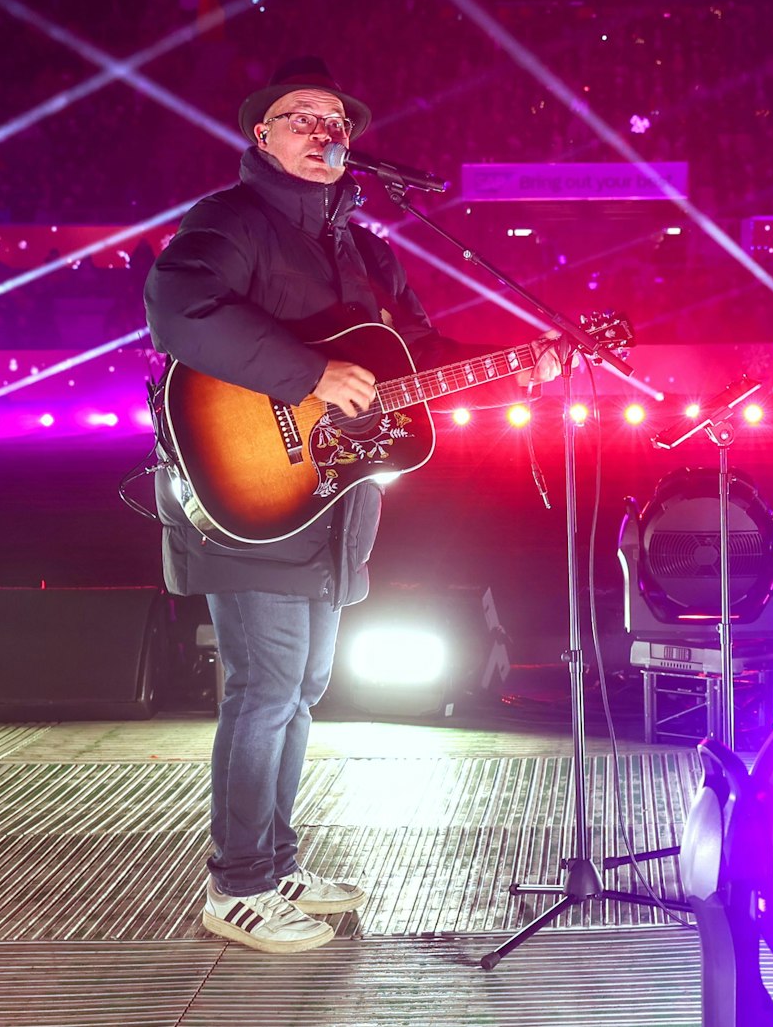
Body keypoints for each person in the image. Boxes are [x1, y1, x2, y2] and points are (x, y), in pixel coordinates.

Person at [144, 57, 562, 955]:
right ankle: (237, 886)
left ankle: (275, 863)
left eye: (334, 118)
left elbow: (420, 354)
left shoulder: (367, 250)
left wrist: (514, 363)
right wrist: (308, 373)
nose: (322, 130)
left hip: (329, 505)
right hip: (246, 494)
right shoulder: (232, 220)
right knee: (264, 691)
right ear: (262, 136)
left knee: (300, 692)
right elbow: (178, 310)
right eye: (300, 116)